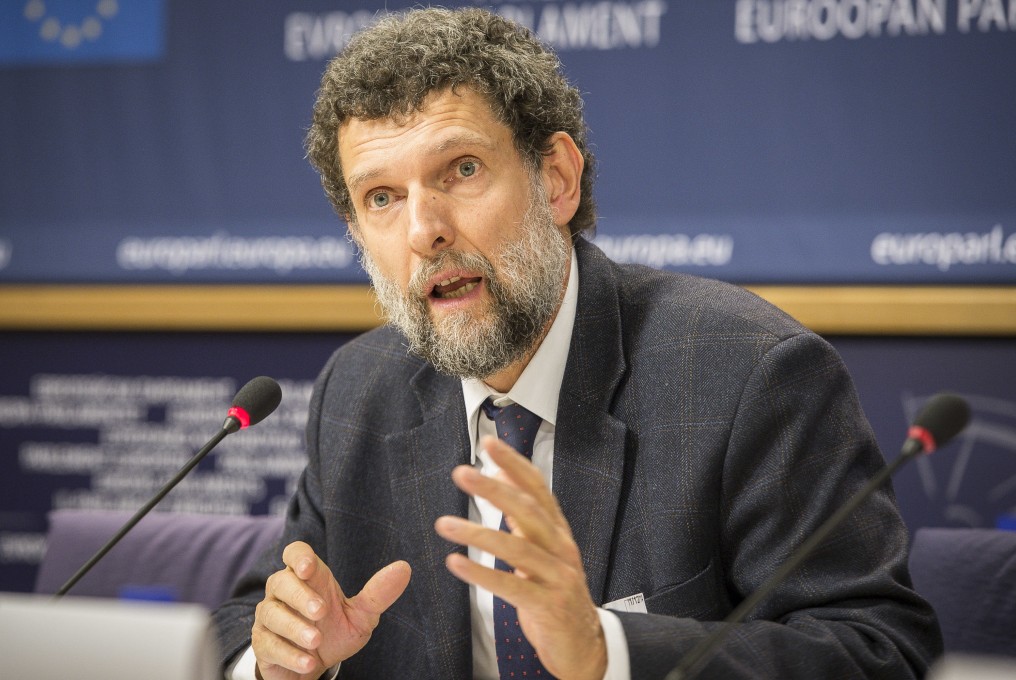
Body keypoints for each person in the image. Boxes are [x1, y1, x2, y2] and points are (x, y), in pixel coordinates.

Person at [213, 7, 941, 679]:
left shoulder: (749, 375)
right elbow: (251, 618)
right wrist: (281, 658)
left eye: (461, 170)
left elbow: (878, 652)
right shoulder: (357, 391)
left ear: (556, 179)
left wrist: (608, 652)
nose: (423, 230)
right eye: (382, 197)